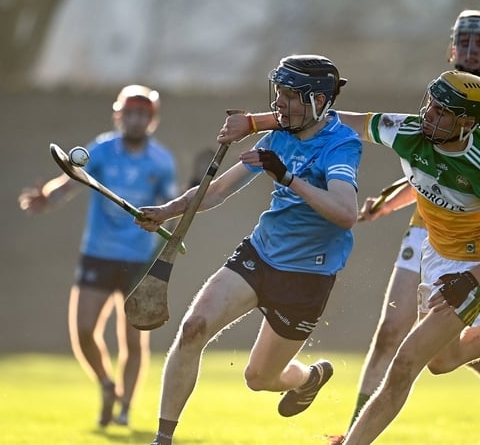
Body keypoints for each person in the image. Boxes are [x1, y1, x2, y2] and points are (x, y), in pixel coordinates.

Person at [221, 70, 480, 444]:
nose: (428, 115)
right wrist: (252, 122)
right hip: (436, 254)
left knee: (405, 364)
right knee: (442, 361)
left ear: (467, 123)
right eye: (430, 104)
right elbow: (333, 119)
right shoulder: (408, 130)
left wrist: (470, 279)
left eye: (442, 112)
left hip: (479, 263)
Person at [341, 10, 480, 444]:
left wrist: (478, 181)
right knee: (392, 329)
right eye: (465, 41)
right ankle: (352, 433)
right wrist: (391, 200)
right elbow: (427, 164)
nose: (472, 50)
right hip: (426, 222)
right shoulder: (441, 93)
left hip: (476, 235)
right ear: (452, 47)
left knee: (453, 349)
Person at [135, 54, 362, 445]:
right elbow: (218, 190)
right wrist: (167, 211)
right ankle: (163, 439)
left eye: (292, 96)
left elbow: (345, 213)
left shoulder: (341, 145)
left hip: (308, 276)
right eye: (280, 93)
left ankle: (309, 377)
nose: (281, 104)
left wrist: (288, 178)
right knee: (193, 329)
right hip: (260, 255)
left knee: (259, 379)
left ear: (320, 102)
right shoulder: (277, 135)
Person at [17, 85, 178, 427]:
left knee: (133, 339)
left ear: (152, 120)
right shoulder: (102, 150)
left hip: (138, 259)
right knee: (84, 329)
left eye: (143, 115)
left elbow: (171, 204)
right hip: (98, 254)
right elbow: (71, 181)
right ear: (119, 116)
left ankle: (124, 410)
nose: (135, 120)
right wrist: (47, 198)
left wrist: (162, 218)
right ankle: (107, 385)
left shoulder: (162, 161)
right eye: (130, 113)